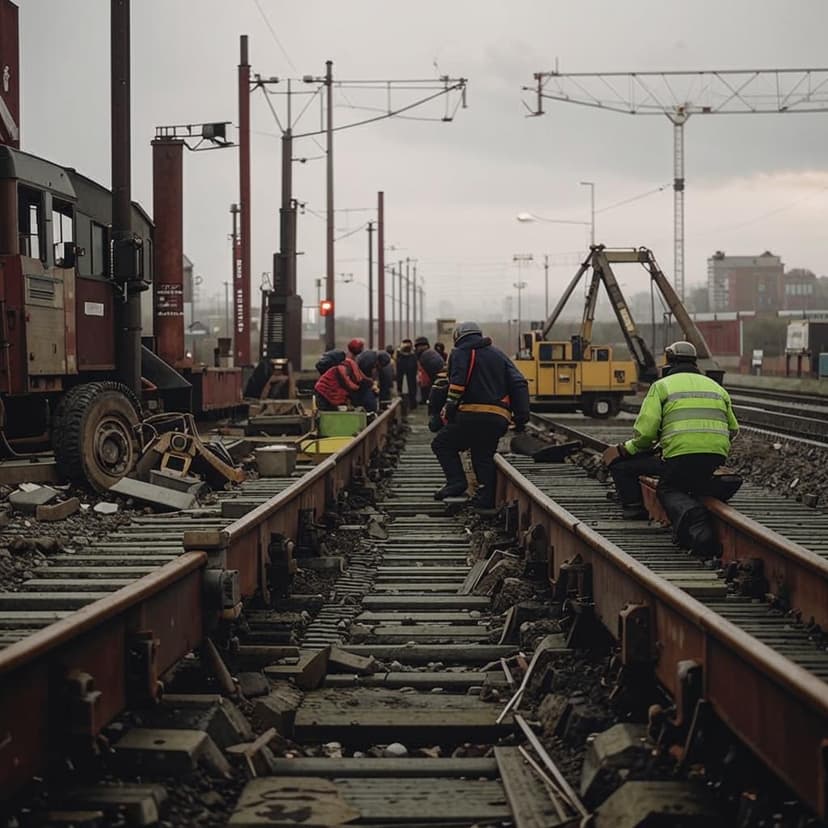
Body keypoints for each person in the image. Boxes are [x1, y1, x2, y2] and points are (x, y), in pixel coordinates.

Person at [601, 341, 739, 558]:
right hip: (714, 458)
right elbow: (733, 429)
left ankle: (643, 510)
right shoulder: (716, 387)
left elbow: (645, 435)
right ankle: (711, 487)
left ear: (669, 362)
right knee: (690, 479)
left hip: (679, 458)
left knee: (663, 485)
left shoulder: (662, 386)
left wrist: (625, 449)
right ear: (694, 363)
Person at [430, 321, 530, 508]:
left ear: (458, 336)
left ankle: (456, 482)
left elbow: (457, 384)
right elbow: (519, 383)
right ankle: (486, 498)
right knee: (482, 455)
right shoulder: (500, 355)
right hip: (497, 418)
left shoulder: (461, 352)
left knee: (442, 444)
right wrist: (521, 416)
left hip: (470, 415)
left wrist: (448, 410)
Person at [415, 336, 446, 404]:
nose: (418, 348)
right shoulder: (431, 352)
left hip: (436, 381)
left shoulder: (426, 355)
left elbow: (431, 373)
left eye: (420, 346)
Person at [395, 338, 418, 407]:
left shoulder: (410, 355)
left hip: (409, 376)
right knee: (408, 388)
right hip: (406, 376)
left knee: (410, 388)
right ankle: (408, 404)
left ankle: (409, 404)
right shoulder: (411, 355)